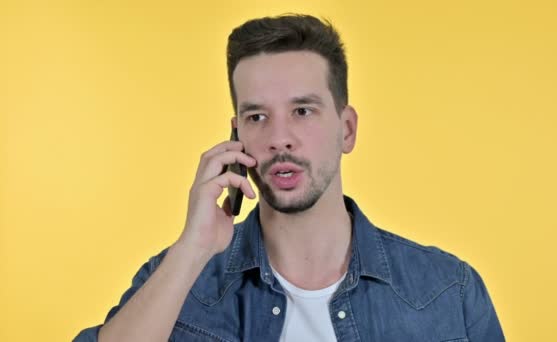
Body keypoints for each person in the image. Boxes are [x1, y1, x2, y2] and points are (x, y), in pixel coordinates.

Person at [74, 14, 505, 342]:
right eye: (257, 116)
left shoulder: (449, 291)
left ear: (347, 129)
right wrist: (193, 249)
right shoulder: (179, 281)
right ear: (236, 136)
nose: (280, 139)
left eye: (303, 111)